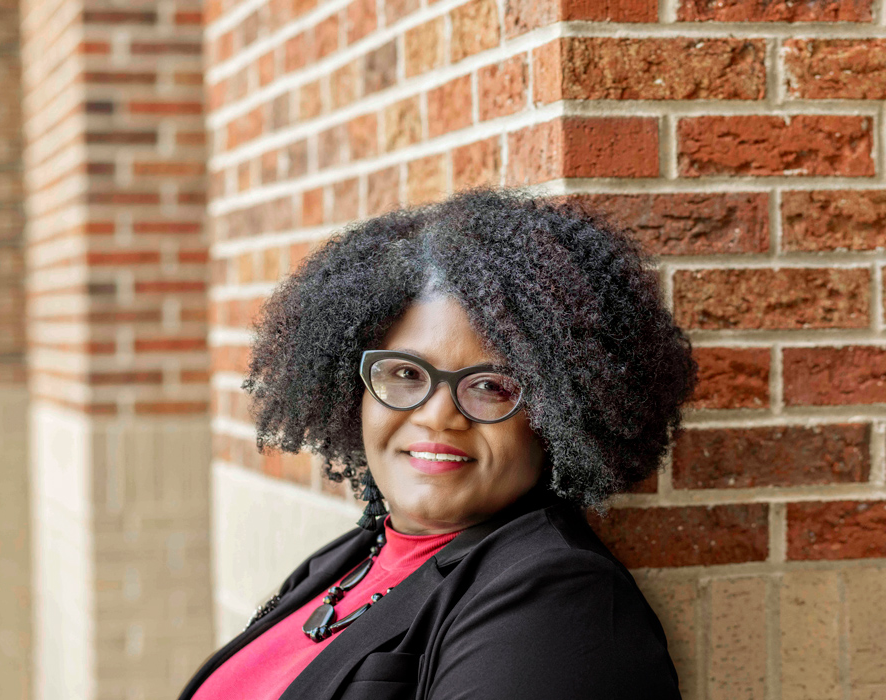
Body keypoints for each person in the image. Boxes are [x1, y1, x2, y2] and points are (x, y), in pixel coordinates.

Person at [177, 187, 697, 700]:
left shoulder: (559, 603)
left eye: (492, 386)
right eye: (405, 372)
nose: (437, 415)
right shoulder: (352, 556)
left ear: (559, 415)